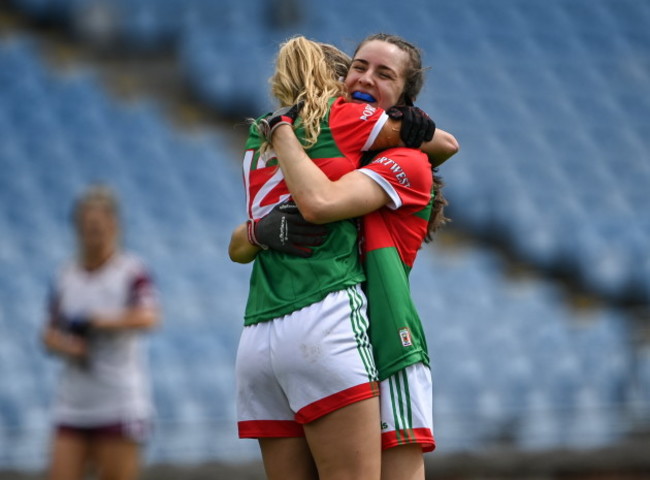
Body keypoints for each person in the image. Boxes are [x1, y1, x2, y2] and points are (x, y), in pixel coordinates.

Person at [231, 33, 458, 480]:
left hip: (385, 340)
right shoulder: (343, 141)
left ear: (403, 100)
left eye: (384, 73)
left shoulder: (406, 162)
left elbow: (320, 201)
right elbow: (243, 240)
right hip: (339, 333)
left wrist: (280, 129)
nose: (365, 78)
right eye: (359, 67)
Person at [41, 185, 160, 480]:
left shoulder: (130, 271)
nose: (90, 232)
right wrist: (66, 346)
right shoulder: (66, 275)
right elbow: (48, 332)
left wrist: (99, 321)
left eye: (96, 225)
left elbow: (149, 317)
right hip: (73, 402)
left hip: (118, 400)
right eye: (85, 226)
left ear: (113, 225)